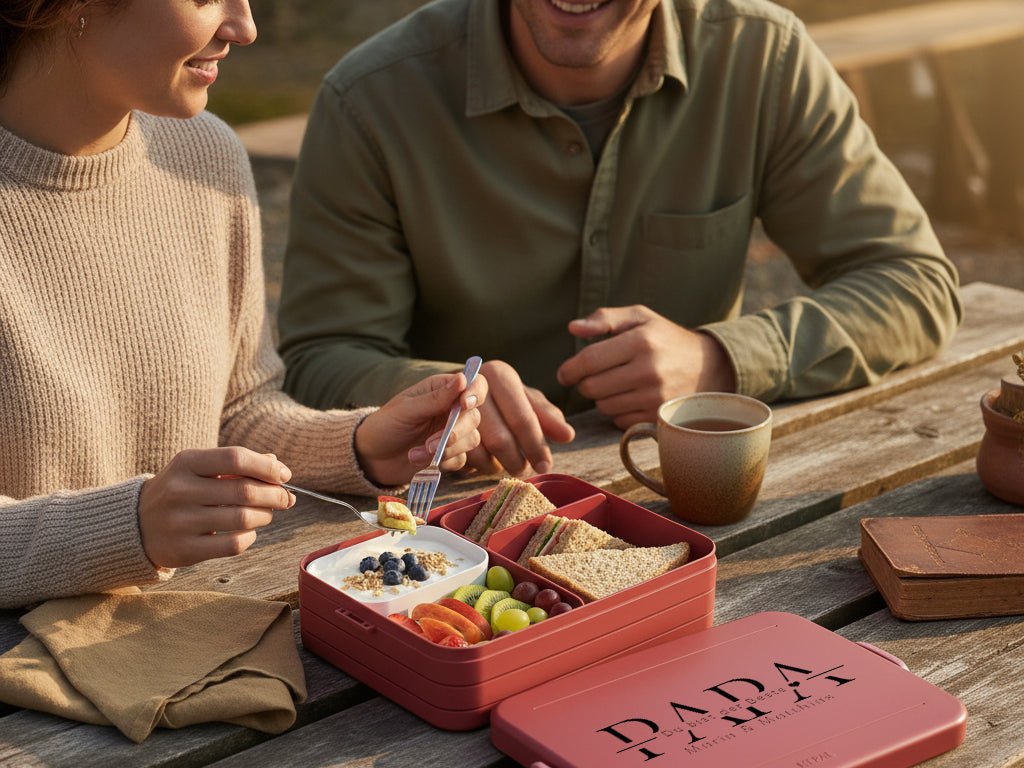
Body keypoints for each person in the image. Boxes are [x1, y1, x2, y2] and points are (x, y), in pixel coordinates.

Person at [277, 0, 961, 481]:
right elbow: (319, 358)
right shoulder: (370, 99)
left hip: (694, 505)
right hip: (452, 526)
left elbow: (913, 282)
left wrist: (719, 359)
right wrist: (440, 398)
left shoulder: (765, 57)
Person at [0, 0, 487, 611]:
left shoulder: (205, 155)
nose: (245, 27)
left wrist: (360, 444)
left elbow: (236, 411)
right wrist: (130, 528)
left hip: (195, 637)